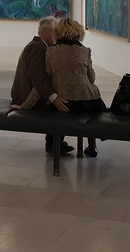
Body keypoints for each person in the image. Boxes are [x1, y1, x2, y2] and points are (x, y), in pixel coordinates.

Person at [10, 16, 72, 155]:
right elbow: (38, 79)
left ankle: (55, 142)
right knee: (64, 106)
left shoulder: (36, 45)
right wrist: (54, 98)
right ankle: (54, 143)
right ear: (47, 33)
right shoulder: (39, 49)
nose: (58, 36)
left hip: (25, 95)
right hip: (27, 99)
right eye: (56, 32)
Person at [45, 17, 106, 157]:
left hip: (65, 103)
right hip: (89, 102)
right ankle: (92, 146)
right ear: (78, 33)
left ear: (58, 33)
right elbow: (91, 78)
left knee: (56, 107)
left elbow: (46, 78)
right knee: (89, 110)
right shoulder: (85, 51)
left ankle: (54, 143)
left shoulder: (51, 51)